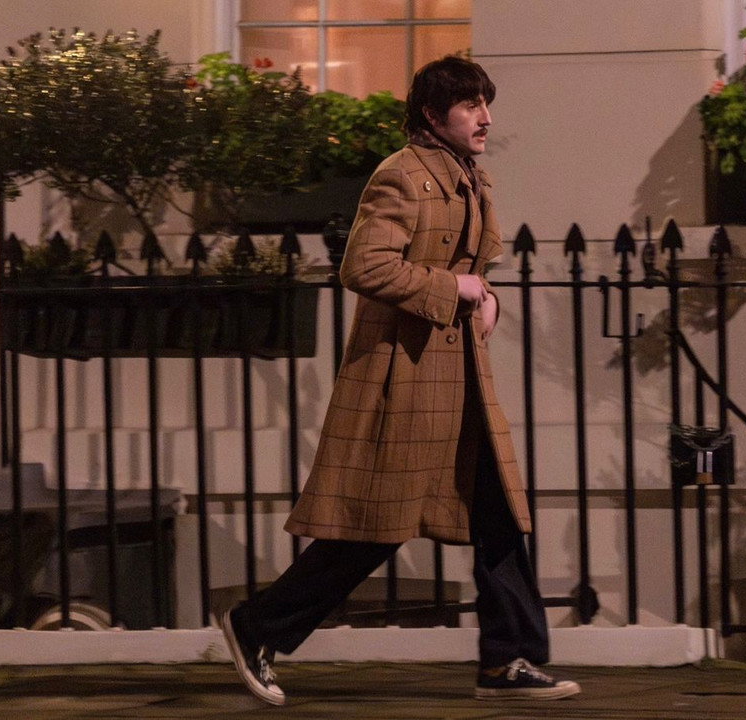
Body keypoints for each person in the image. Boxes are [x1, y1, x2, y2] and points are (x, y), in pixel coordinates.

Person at [219, 55, 580, 706]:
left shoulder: (469, 177)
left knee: (500, 515)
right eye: (469, 106)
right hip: (405, 375)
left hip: (462, 377)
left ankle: (508, 660)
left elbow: (470, 266)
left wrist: (485, 295)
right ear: (433, 115)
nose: (485, 118)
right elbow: (364, 266)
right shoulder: (402, 175)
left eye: (486, 104)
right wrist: (454, 289)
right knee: (373, 528)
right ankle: (256, 627)